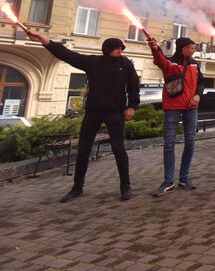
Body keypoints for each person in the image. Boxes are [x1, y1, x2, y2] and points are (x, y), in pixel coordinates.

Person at [27, 31, 139, 203]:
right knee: (83, 149)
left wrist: (132, 105)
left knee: (118, 149)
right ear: (107, 49)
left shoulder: (126, 64)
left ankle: (126, 186)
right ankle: (77, 188)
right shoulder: (93, 62)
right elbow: (68, 56)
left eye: (121, 48)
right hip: (94, 111)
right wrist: (46, 42)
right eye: (117, 48)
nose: (120, 51)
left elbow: (133, 85)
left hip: (115, 112)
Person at [147, 36, 204, 196]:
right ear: (183, 48)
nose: (193, 51)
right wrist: (154, 47)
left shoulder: (194, 64)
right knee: (169, 143)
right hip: (172, 107)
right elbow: (159, 60)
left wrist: (198, 95)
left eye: (194, 48)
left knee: (190, 142)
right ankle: (168, 181)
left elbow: (201, 82)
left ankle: (184, 178)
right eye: (191, 48)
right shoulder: (170, 63)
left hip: (191, 107)